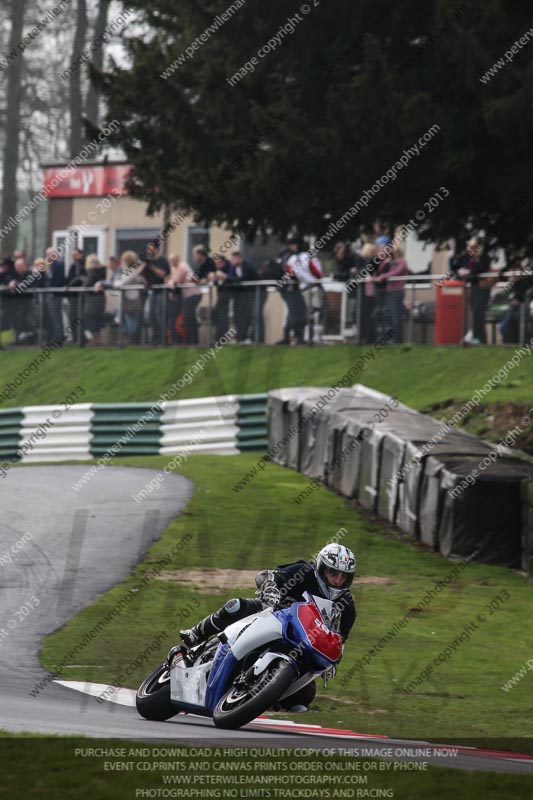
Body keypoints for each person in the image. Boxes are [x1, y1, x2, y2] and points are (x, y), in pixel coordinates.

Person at [180, 543, 357, 711]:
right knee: (237, 606)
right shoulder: (304, 571)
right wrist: (270, 586)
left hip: (302, 643)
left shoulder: (347, 606)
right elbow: (269, 575)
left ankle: (261, 699)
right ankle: (198, 633)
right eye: (333, 573)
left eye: (344, 577)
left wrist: (332, 663)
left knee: (304, 696)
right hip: (273, 613)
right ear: (320, 568)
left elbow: (339, 640)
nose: (338, 581)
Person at [96, 250, 145, 344]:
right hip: (125, 298)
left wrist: (115, 284)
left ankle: (131, 339)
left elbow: (122, 282)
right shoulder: (127, 270)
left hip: (132, 298)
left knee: (131, 318)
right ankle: (126, 338)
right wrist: (116, 283)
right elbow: (120, 280)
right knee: (125, 318)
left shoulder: (131, 269)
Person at [456, 238, 494, 345]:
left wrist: (468, 273)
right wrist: (466, 272)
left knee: (479, 314)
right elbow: (463, 271)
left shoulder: (484, 258)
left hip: (482, 289)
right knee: (475, 314)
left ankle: (480, 339)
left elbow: (477, 271)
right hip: (474, 289)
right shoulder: (471, 260)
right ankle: (478, 337)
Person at [140, 241, 170, 345]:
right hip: (152, 292)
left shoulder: (162, 260)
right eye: (148, 249)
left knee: (159, 315)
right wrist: (145, 264)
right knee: (152, 316)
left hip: (161, 291)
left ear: (156, 249)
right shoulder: (149, 262)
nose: (150, 251)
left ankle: (163, 339)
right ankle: (155, 338)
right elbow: (138, 274)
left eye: (152, 249)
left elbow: (162, 274)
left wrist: (152, 267)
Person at [168, 254, 202, 344]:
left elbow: (176, 281)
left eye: (173, 261)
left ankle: (191, 340)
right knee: (190, 317)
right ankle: (192, 340)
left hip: (193, 294)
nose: (172, 264)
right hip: (188, 295)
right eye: (171, 262)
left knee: (188, 316)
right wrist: (171, 280)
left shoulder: (182, 266)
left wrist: (170, 282)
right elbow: (172, 278)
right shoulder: (176, 268)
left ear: (177, 260)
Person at [226, 251, 259, 343]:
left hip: (254, 294)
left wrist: (227, 278)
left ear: (240, 258)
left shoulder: (247, 266)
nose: (231, 261)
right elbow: (230, 277)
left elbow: (242, 278)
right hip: (242, 296)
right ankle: (240, 337)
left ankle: (253, 338)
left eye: (233, 259)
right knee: (238, 317)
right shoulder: (234, 267)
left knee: (251, 316)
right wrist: (228, 277)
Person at [383, 245, 409, 343]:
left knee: (396, 316)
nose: (393, 254)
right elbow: (386, 270)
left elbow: (396, 273)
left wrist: (382, 276)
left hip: (397, 292)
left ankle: (398, 339)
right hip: (390, 291)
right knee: (391, 316)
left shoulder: (403, 262)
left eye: (395, 252)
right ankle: (393, 338)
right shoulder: (393, 262)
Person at [83, 254, 107, 345]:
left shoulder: (91, 271)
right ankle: (97, 337)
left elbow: (88, 283)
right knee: (97, 318)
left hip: (93, 298)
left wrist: (84, 283)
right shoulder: (102, 270)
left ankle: (95, 338)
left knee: (90, 317)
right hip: (101, 297)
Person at [44, 247, 66, 342]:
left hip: (56, 295)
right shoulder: (47, 266)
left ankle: (58, 338)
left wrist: (53, 291)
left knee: (56, 316)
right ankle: (54, 336)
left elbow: (58, 280)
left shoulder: (59, 264)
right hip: (49, 295)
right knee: (52, 317)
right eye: (48, 254)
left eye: (52, 254)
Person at [212, 253, 232, 340]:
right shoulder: (217, 269)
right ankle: (218, 335)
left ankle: (222, 337)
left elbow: (231, 278)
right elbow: (216, 281)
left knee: (223, 315)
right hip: (221, 294)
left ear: (222, 262)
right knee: (217, 313)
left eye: (217, 263)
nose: (216, 265)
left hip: (228, 295)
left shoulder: (230, 267)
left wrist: (224, 277)